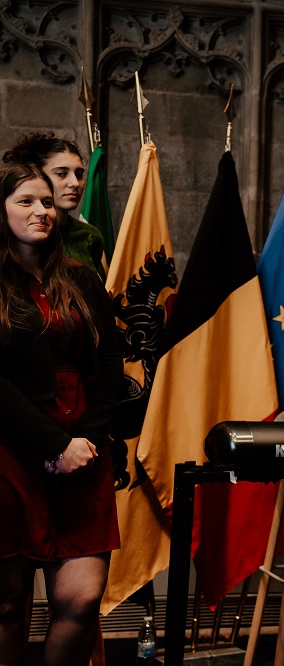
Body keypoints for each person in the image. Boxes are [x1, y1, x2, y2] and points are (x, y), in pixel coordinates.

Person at [0, 159, 122, 665]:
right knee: (7, 604)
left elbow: (109, 367)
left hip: (83, 452)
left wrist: (84, 442)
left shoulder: (80, 279)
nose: (41, 211)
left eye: (47, 202)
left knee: (82, 599)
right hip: (11, 451)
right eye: (26, 201)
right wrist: (53, 446)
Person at [6, 133, 105, 279]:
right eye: (61, 174)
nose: (75, 183)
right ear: (35, 174)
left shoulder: (90, 236)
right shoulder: (14, 236)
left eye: (79, 175)